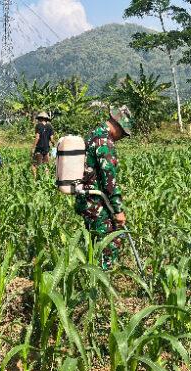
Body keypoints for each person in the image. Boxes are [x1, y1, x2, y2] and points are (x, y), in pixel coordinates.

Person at [75, 106, 134, 270]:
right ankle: (101, 280)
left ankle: (91, 274)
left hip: (86, 200)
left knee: (93, 240)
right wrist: (118, 210)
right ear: (118, 125)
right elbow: (109, 180)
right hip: (97, 203)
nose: (121, 137)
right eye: (123, 133)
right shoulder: (105, 142)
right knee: (110, 242)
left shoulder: (92, 136)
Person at [31, 112, 55, 179]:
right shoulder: (50, 126)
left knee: (34, 165)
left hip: (39, 148)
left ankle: (35, 180)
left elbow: (37, 137)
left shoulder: (38, 125)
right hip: (46, 149)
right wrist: (54, 145)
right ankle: (47, 180)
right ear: (46, 119)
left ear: (40, 118)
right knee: (46, 165)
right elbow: (52, 139)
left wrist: (33, 148)